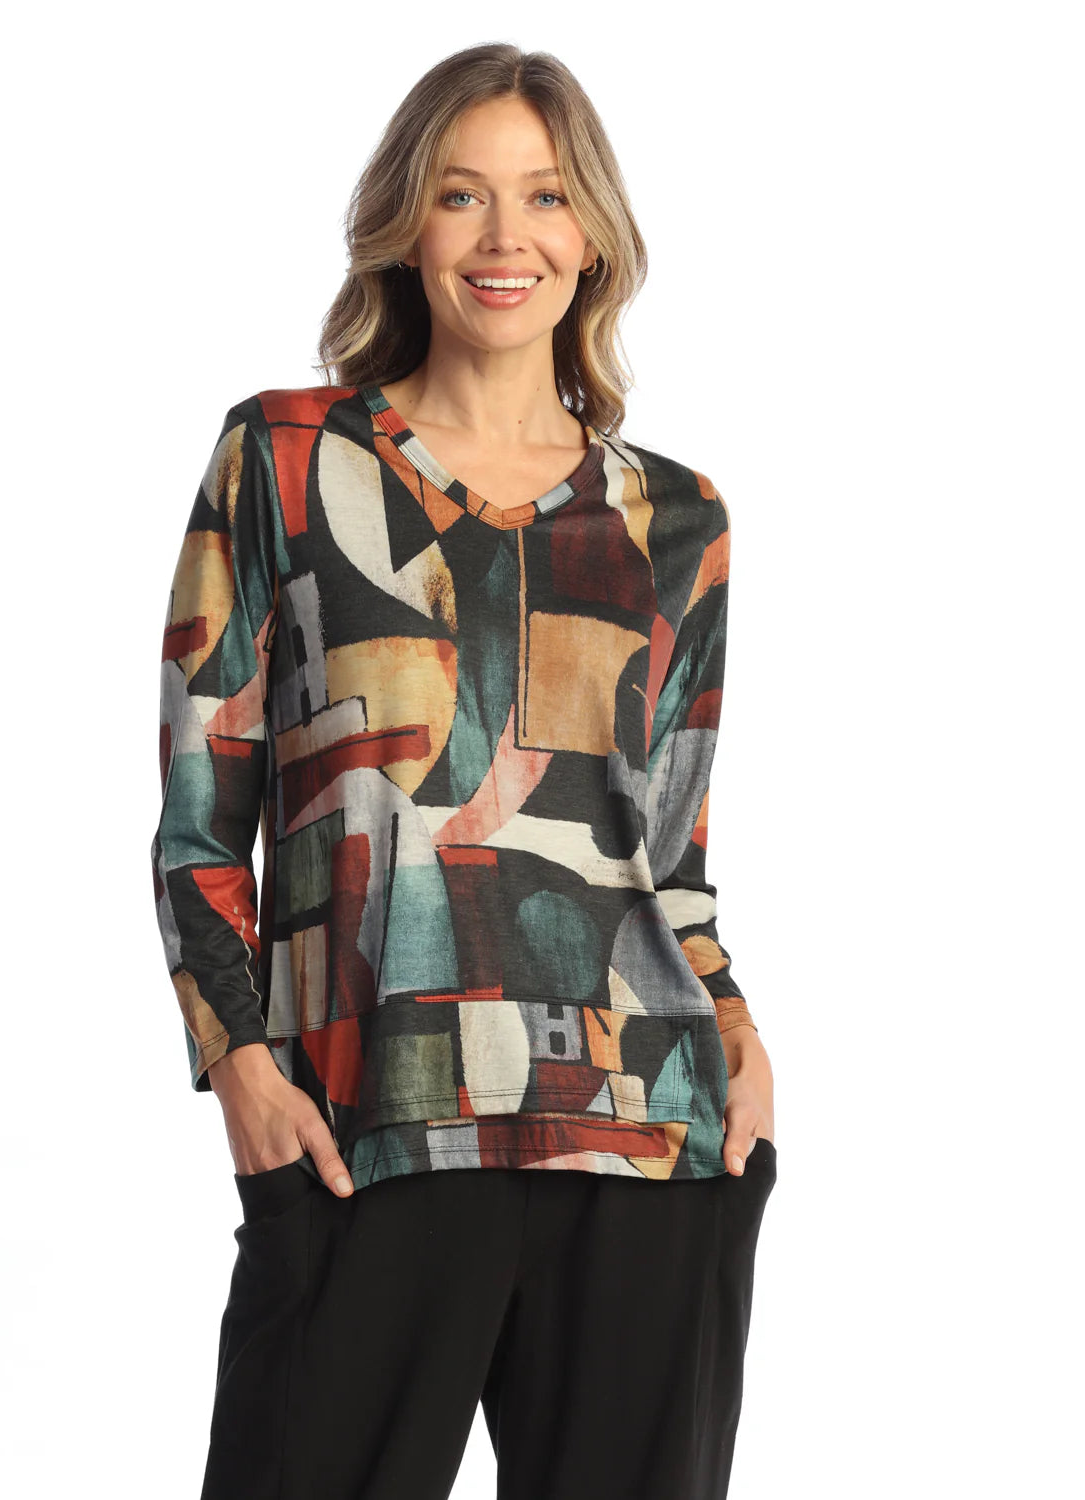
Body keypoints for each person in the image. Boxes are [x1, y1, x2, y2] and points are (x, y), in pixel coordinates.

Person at [150, 41, 777, 1500]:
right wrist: (239, 1065)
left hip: (645, 1129)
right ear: (405, 227)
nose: (507, 238)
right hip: (366, 1127)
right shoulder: (285, 462)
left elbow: (669, 861)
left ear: (593, 235)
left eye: (546, 196)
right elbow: (198, 825)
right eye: (460, 194)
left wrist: (741, 1039)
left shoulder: (677, 523)